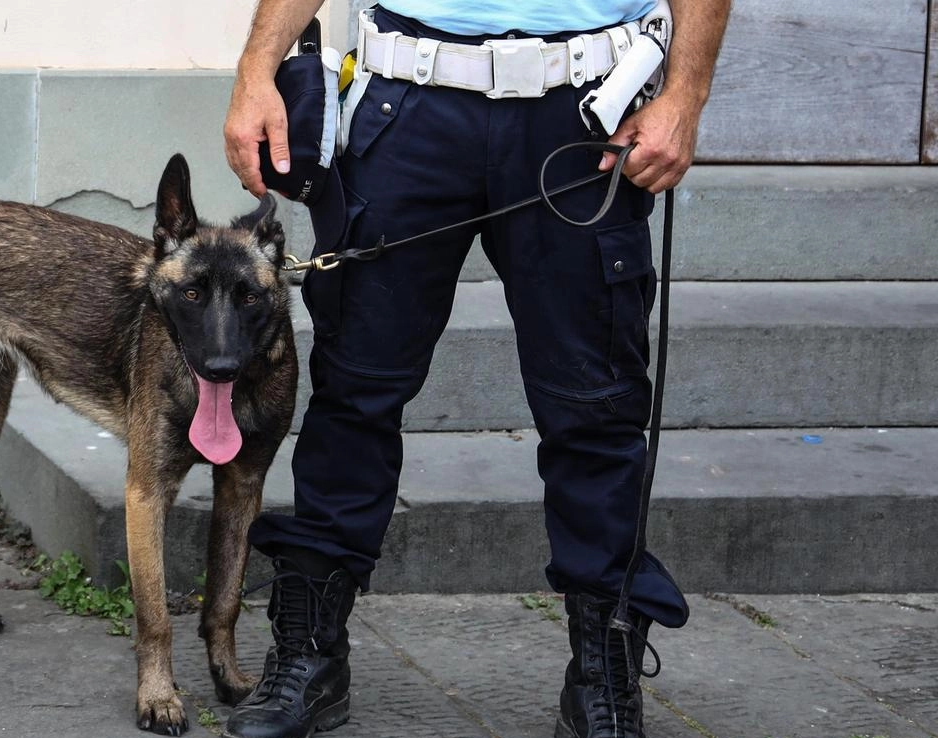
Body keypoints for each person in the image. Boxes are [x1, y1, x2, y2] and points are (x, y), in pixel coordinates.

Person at [221, 1, 729, 737]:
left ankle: (601, 678)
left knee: (594, 408)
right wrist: (254, 71)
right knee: (353, 393)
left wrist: (686, 94)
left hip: (582, 115)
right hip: (408, 107)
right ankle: (311, 655)